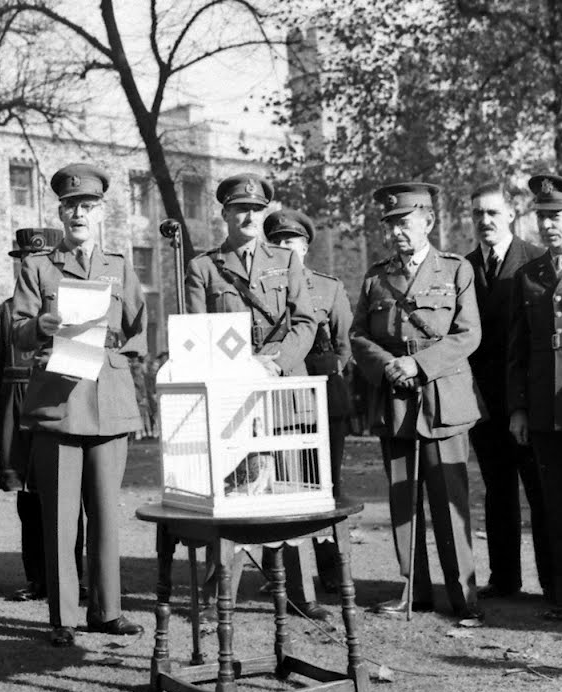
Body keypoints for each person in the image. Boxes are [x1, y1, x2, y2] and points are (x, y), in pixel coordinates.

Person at [12, 163, 146, 646]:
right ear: (61, 212)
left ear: (100, 212)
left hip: (107, 400)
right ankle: (63, 617)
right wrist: (41, 327)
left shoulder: (120, 266)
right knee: (61, 518)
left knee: (107, 514)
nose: (79, 214)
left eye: (87, 206)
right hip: (59, 402)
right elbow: (19, 331)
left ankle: (106, 612)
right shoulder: (38, 267)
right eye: (71, 206)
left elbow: (139, 330)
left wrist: (111, 349)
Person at [185, 174, 326, 620]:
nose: (248, 216)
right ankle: (216, 596)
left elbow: (306, 322)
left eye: (256, 209)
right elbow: (196, 331)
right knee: (228, 490)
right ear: (224, 213)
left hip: (283, 386)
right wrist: (239, 368)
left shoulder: (286, 260)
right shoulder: (204, 268)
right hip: (231, 393)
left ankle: (300, 596)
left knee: (292, 488)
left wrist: (276, 361)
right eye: (239, 209)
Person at [350, 181, 482, 621]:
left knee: (450, 501)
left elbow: (468, 334)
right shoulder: (375, 276)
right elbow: (358, 335)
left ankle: (464, 599)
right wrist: (389, 364)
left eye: (405, 223)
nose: (397, 233)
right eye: (390, 225)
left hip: (442, 398)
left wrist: (418, 366)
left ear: (428, 221)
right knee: (403, 501)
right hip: (396, 401)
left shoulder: (455, 269)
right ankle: (413, 591)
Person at [507, 172, 562, 621]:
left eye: (555, 215)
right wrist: (520, 408)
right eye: (541, 216)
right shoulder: (529, 277)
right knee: (558, 510)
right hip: (546, 413)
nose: (546, 225)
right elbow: (517, 352)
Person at [466, 179, 550, 600]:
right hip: (482, 403)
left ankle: (554, 584)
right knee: (497, 491)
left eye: (493, 212)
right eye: (478, 213)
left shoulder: (536, 261)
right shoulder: (461, 269)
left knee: (541, 491)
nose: (485, 221)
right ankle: (504, 579)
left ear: (512, 215)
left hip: (530, 402)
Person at [263, 207, 353, 591]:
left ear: (305, 246)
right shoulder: (264, 288)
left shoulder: (328, 287)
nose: (286, 247)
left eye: (292, 241)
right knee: (280, 483)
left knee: (325, 485)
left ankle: (332, 574)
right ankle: (278, 574)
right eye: (278, 242)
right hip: (279, 397)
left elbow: (345, 345)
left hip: (324, 397)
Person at [0, 226, 72, 602]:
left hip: (56, 397)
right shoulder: (6, 311)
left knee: (65, 493)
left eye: (34, 260)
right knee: (26, 494)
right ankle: (36, 577)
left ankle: (72, 577)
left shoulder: (72, 308)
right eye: (22, 260)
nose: (27, 266)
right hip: (15, 403)